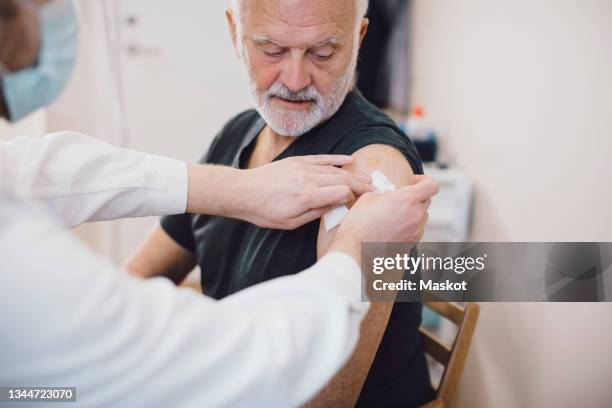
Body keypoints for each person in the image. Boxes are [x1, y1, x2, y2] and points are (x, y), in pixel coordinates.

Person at [0, 0, 439, 406]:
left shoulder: (376, 161)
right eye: (271, 49)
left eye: (323, 53)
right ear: (234, 32)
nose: (295, 79)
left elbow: (329, 399)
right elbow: (139, 276)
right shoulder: (237, 134)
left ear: (359, 39)